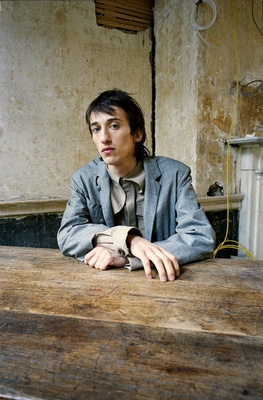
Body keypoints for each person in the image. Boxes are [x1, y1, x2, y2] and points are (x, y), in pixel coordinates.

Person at [57, 89, 215, 282]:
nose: (104, 138)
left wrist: (128, 258)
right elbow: (68, 233)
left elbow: (200, 236)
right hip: (103, 284)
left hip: (163, 280)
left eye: (114, 126)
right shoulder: (83, 179)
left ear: (137, 134)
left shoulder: (174, 174)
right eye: (96, 129)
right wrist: (130, 240)